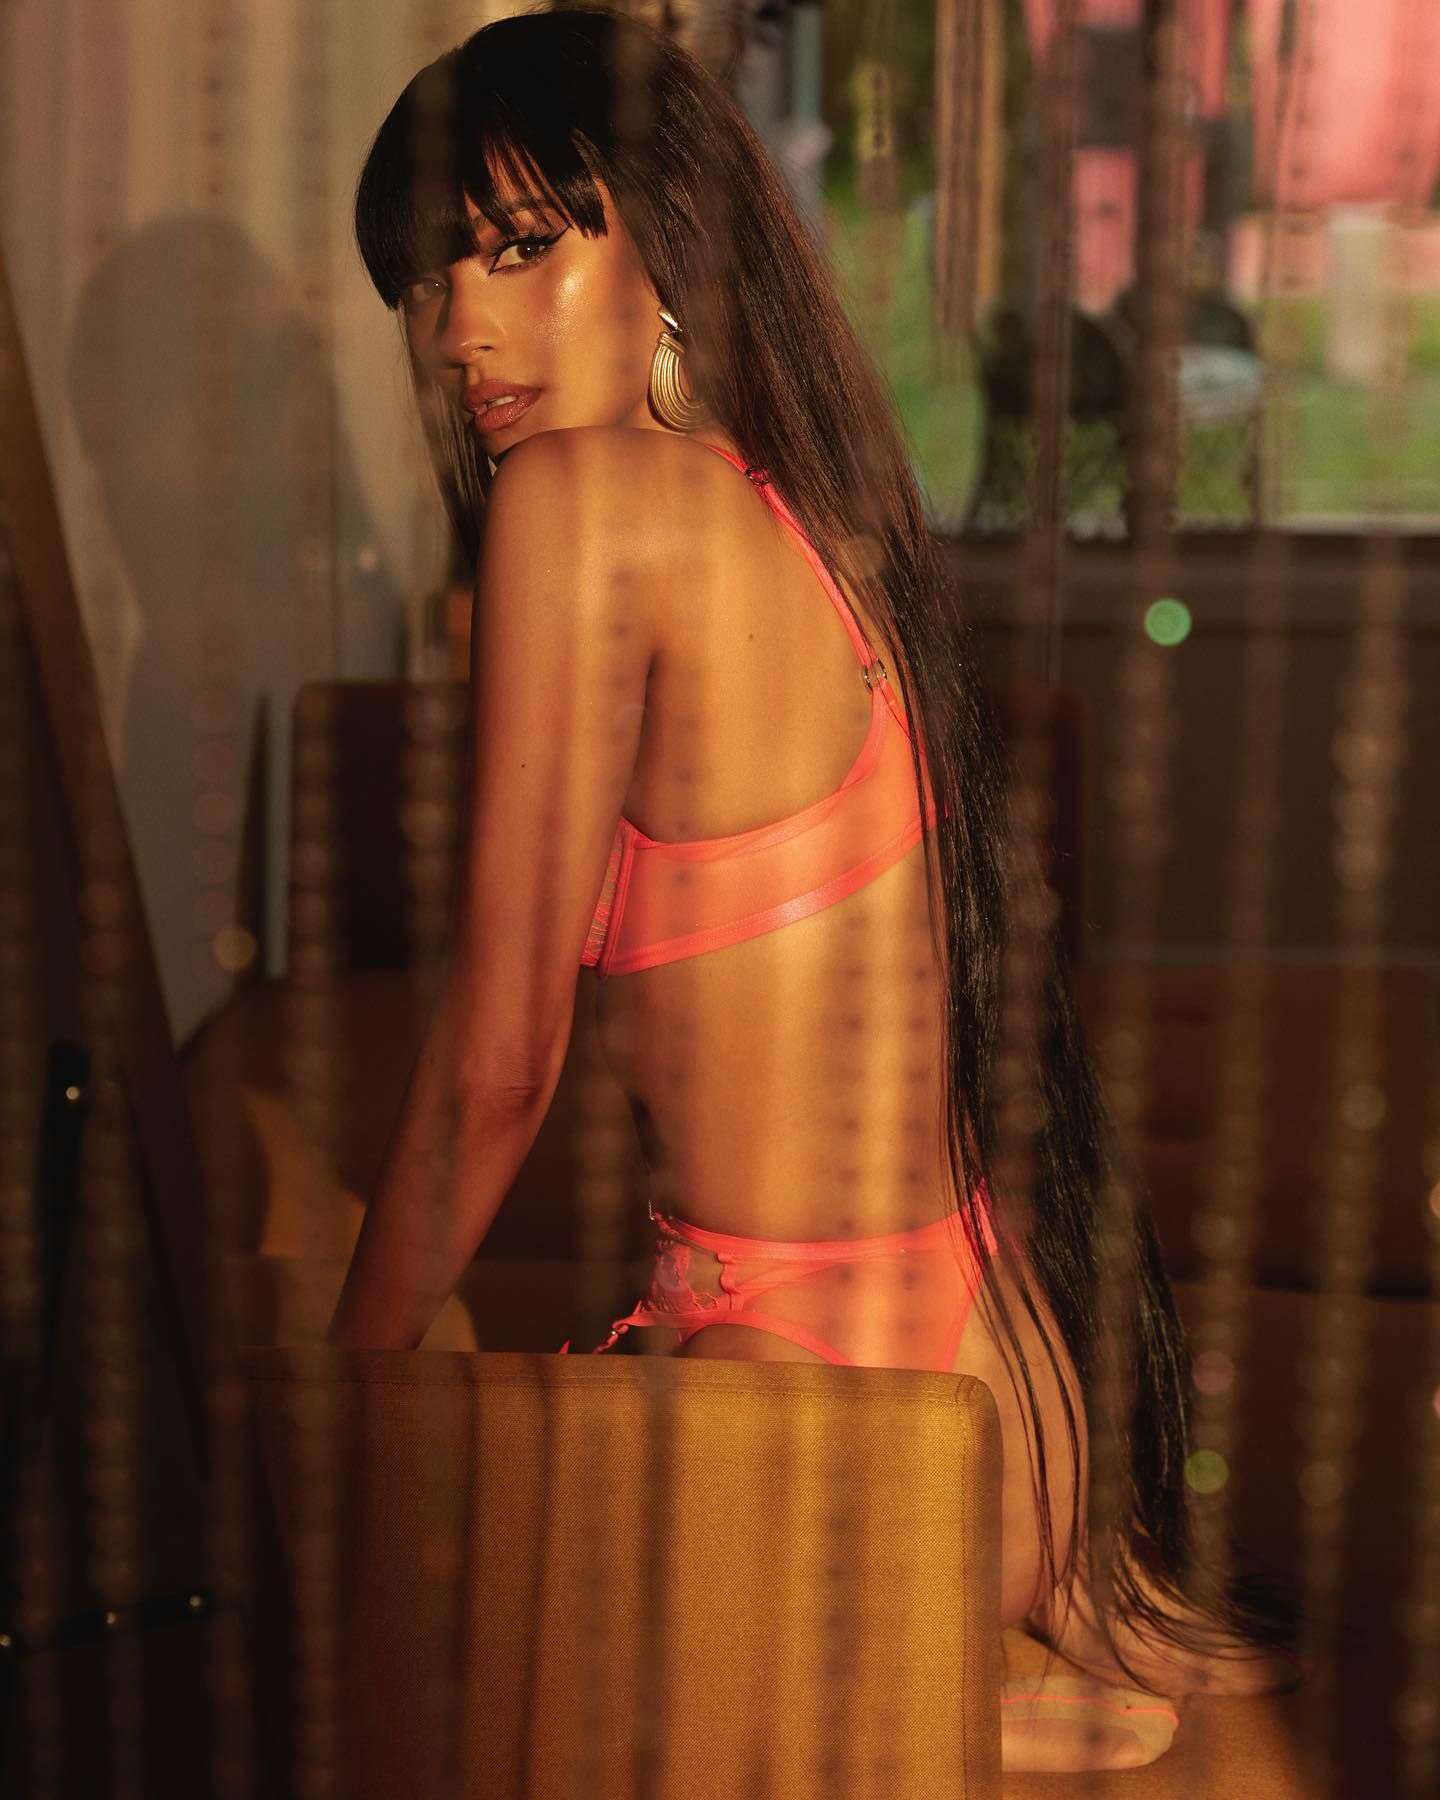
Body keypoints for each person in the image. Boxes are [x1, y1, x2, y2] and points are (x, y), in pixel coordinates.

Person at [326, 4, 1298, 1771]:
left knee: (432, 1631)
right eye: (429, 279)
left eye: (522, 248)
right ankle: (954, 1677)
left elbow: (496, 1072)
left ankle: (901, 1689)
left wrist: (325, 1425)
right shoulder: (822, 519)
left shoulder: (580, 508)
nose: (462, 327)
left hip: (805, 1418)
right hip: (1006, 1388)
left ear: (669, 242)